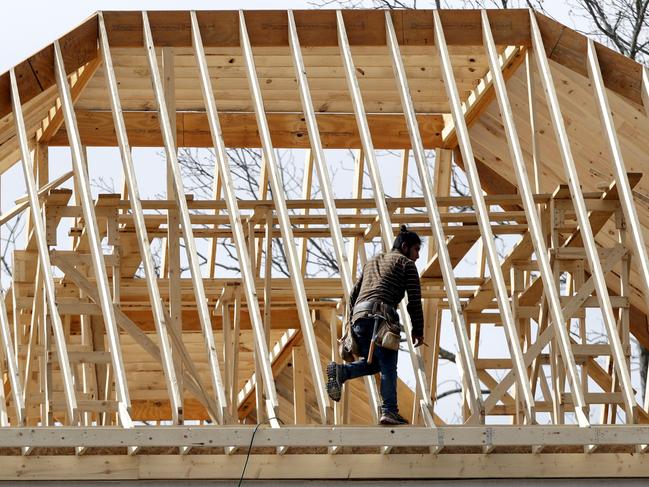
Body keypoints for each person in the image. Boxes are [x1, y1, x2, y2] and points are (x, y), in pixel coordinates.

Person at [326, 225, 424, 425]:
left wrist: (349, 327)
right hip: (382, 319)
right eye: (416, 250)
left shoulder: (373, 261)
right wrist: (418, 330)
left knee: (375, 364)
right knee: (389, 366)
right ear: (405, 247)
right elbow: (414, 300)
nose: (418, 256)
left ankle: (342, 372)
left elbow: (353, 294)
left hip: (359, 319)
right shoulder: (406, 264)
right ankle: (389, 411)